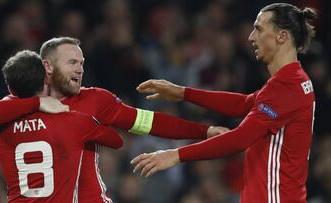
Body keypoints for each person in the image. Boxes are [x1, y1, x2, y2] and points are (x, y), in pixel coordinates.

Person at [0, 37, 229, 202]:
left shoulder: (96, 100)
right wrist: (39, 103)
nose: (80, 69)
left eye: (82, 63)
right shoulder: (20, 106)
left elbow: (149, 122)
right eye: (73, 62)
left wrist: (204, 131)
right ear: (48, 67)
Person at [131, 3, 316, 203]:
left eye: (259, 29)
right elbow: (245, 103)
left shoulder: (285, 88)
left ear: (281, 36)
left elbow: (240, 138)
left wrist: (176, 155)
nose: (251, 37)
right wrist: (183, 93)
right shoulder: (293, 80)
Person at [0, 50, 123, 202]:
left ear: (10, 89)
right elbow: (116, 140)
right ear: (46, 80)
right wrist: (90, 122)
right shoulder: (73, 121)